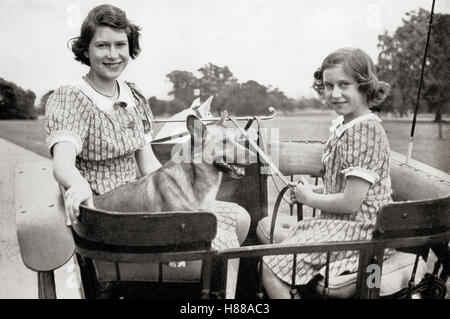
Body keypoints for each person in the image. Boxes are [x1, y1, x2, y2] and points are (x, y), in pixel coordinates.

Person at [45, 4, 250, 252]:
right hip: (107, 217)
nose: (113, 54)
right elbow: (63, 164)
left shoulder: (133, 96)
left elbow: (149, 166)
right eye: (102, 45)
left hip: (143, 203)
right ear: (86, 50)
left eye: (120, 45)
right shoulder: (70, 98)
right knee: (221, 247)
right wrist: (78, 185)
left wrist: (186, 189)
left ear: (129, 48)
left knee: (240, 218)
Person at [262, 47, 393, 298]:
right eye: (328, 85)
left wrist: (308, 199)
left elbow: (351, 202)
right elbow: (346, 186)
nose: (335, 94)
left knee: (269, 266)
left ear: (364, 86)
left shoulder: (365, 131)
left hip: (362, 232)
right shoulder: (348, 126)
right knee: (279, 246)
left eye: (344, 84)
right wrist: (314, 190)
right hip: (342, 224)